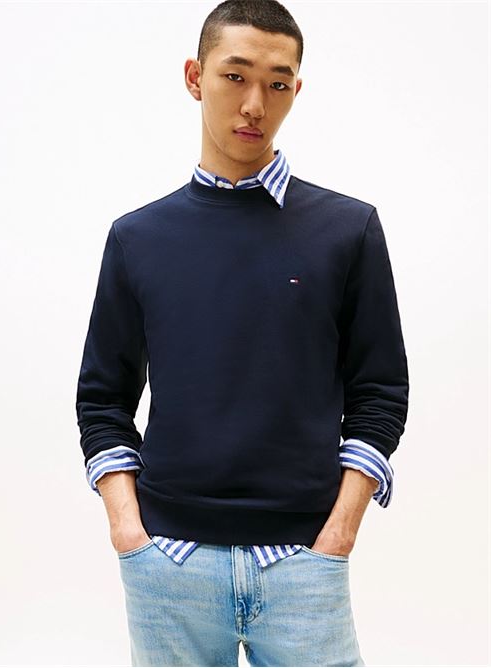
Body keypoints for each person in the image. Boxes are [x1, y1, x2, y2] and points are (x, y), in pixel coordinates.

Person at [75, 1, 409, 665]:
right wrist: (128, 531)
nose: (256, 104)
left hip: (304, 563)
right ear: (195, 77)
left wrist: (339, 533)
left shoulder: (347, 230)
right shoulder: (138, 238)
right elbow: (103, 398)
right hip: (169, 563)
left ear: (296, 90)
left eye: (277, 84)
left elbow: (379, 393)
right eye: (235, 76)